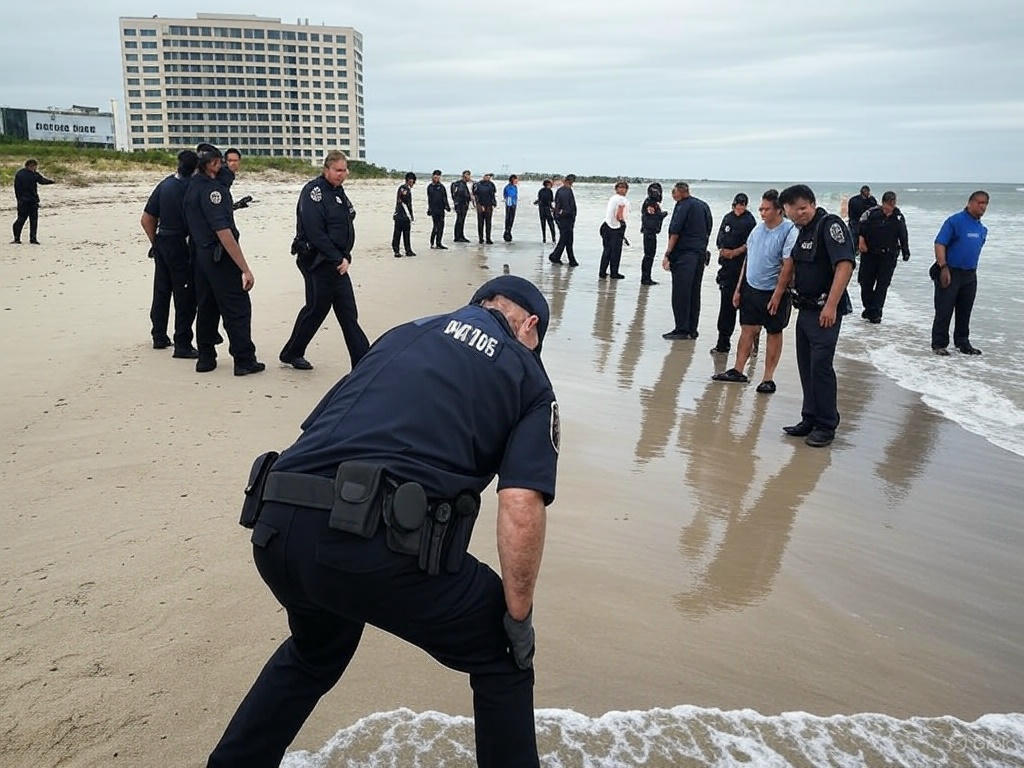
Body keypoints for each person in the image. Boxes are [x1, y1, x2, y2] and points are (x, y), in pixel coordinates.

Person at [206, 274, 558, 768]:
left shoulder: (402, 334)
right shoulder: (526, 372)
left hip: (276, 523)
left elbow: (323, 430)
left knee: (316, 649)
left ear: (477, 304)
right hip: (369, 547)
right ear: (530, 328)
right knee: (503, 653)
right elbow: (521, 504)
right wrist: (517, 618)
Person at [778, 184, 855, 447]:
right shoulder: (802, 231)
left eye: (802, 209)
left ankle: (826, 424)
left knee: (821, 368)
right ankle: (809, 417)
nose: (799, 215)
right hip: (806, 309)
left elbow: (844, 265)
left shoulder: (829, 225)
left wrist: (831, 305)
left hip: (825, 311)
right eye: (792, 213)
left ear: (812, 203)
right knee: (806, 367)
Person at [279, 150, 370, 371]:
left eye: (345, 170)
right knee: (316, 309)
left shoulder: (338, 192)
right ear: (326, 169)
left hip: (338, 263)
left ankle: (363, 362)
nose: (342, 174)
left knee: (348, 312)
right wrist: (337, 257)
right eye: (338, 170)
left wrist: (345, 256)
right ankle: (292, 352)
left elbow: (347, 222)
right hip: (317, 261)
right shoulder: (314, 191)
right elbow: (315, 231)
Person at [183, 145, 264, 375]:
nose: (224, 167)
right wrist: (245, 268)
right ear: (211, 165)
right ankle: (244, 358)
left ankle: (206, 357)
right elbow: (224, 232)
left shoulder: (192, 186)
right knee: (237, 306)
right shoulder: (212, 192)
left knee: (207, 306)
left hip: (199, 255)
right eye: (220, 163)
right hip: (218, 255)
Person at [712, 189, 797, 393]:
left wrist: (778, 293)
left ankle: (768, 378)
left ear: (779, 210)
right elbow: (748, 260)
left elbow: (788, 265)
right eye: (761, 208)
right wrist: (739, 289)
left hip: (774, 291)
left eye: (766, 209)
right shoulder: (757, 230)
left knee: (774, 332)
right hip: (751, 288)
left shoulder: (789, 231)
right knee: (747, 329)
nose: (762, 212)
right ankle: (738, 370)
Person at [141, 149, 199, 357]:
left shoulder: (165, 185)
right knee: (185, 295)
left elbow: (146, 219)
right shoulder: (193, 187)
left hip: (163, 240)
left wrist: (155, 243)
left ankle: (158, 335)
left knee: (161, 291)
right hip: (181, 243)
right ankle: (182, 344)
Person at [930, 190, 989, 356]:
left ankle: (963, 342)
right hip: (950, 271)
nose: (982, 207)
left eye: (985, 204)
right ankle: (939, 344)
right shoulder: (954, 221)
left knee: (965, 310)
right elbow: (940, 243)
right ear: (970, 203)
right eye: (979, 203)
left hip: (970, 274)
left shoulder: (982, 229)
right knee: (944, 309)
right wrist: (943, 267)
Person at [661, 182, 713, 340]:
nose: (672, 195)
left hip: (684, 255)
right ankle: (692, 329)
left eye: (674, 192)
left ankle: (682, 329)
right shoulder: (703, 205)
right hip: (699, 254)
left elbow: (674, 232)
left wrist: (668, 253)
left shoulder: (682, 206)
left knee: (681, 293)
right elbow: (708, 228)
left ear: (681, 192)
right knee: (694, 292)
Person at [711, 193, 757, 353]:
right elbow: (720, 239)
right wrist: (724, 251)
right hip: (726, 270)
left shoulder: (750, 221)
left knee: (747, 310)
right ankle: (723, 343)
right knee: (726, 308)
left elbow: (751, 244)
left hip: (743, 269)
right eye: (738, 204)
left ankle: (752, 344)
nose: (740, 207)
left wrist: (736, 252)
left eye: (743, 204)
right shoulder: (727, 218)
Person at [857, 190, 910, 324]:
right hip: (869, 254)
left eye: (892, 206)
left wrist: (905, 251)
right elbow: (860, 229)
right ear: (883, 203)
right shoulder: (871, 214)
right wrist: (861, 241)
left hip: (888, 256)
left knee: (882, 285)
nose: (889, 210)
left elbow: (903, 235)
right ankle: (869, 308)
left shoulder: (898, 217)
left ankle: (876, 313)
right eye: (887, 206)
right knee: (865, 283)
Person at [11, 159, 55, 245]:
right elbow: (42, 181)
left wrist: (18, 198)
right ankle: (33, 239)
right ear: (31, 166)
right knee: (33, 220)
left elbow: (16, 187)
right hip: (32, 200)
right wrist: (52, 181)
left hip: (22, 201)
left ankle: (17, 238)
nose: (35, 168)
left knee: (21, 219)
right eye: (35, 166)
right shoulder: (34, 174)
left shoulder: (19, 174)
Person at [599, 181, 630, 279]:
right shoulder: (622, 200)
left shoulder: (613, 198)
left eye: (624, 187)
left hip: (606, 225)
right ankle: (614, 273)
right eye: (621, 187)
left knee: (607, 250)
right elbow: (619, 215)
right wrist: (622, 223)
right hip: (615, 227)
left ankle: (602, 272)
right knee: (615, 252)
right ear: (617, 189)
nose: (622, 189)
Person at [639, 182, 667, 286]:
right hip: (649, 232)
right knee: (649, 256)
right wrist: (662, 214)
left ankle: (646, 277)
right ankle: (645, 279)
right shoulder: (650, 203)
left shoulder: (651, 202)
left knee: (649, 255)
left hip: (650, 232)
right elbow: (652, 216)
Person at [547, 174, 578, 266]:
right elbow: (568, 207)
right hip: (566, 219)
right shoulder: (566, 191)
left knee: (567, 239)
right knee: (566, 239)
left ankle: (571, 259)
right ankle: (555, 256)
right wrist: (570, 216)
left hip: (562, 218)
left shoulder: (561, 190)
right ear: (571, 182)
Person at [392, 172, 416, 257]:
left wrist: (411, 215)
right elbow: (403, 201)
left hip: (406, 216)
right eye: (413, 181)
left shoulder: (407, 189)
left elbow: (409, 205)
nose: (413, 183)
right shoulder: (403, 188)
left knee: (407, 233)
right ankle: (396, 251)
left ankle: (408, 250)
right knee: (397, 233)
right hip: (400, 215)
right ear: (410, 180)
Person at [426, 170, 451, 250]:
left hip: (441, 209)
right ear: (433, 177)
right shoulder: (430, 187)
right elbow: (429, 199)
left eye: (438, 177)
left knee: (441, 226)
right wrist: (429, 209)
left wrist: (447, 206)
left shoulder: (442, 186)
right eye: (435, 176)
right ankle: (432, 243)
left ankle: (439, 243)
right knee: (435, 226)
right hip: (434, 209)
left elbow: (445, 197)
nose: (437, 178)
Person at [474, 172, 498, 244]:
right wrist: (479, 205)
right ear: (483, 176)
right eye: (487, 176)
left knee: (488, 223)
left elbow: (493, 195)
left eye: (489, 176)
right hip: (480, 206)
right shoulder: (477, 185)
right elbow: (475, 195)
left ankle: (488, 238)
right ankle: (481, 239)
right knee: (480, 223)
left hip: (489, 206)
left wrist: (494, 203)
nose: (488, 177)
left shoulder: (491, 184)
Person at [451, 170, 473, 243]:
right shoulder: (458, 184)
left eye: (469, 175)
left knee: (461, 220)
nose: (469, 177)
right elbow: (457, 194)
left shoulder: (465, 184)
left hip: (464, 204)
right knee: (459, 220)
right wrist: (456, 203)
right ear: (464, 176)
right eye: (468, 175)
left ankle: (461, 235)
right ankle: (457, 237)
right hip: (460, 204)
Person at [502, 175, 519, 242]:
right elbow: (507, 195)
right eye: (516, 180)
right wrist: (509, 203)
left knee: (512, 219)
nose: (517, 181)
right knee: (508, 218)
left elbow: (515, 195)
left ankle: (509, 231)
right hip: (509, 204)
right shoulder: (508, 187)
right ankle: (507, 232)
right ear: (512, 180)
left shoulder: (515, 187)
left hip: (514, 204)